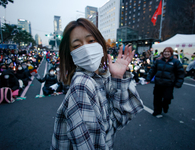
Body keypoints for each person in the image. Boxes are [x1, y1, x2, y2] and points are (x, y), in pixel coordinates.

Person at [51, 18, 143, 150]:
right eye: (77, 45)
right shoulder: (82, 85)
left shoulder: (100, 78)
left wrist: (117, 77)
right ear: (70, 53)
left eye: (91, 41)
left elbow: (118, 119)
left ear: (100, 43)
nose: (86, 49)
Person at [146, 47, 185, 118]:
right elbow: (152, 71)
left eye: (168, 52)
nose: (166, 53)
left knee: (167, 98)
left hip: (169, 84)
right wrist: (148, 79)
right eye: (165, 52)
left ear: (171, 53)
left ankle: (165, 105)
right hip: (158, 83)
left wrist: (178, 83)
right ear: (163, 53)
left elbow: (180, 73)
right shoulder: (158, 61)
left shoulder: (176, 62)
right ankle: (157, 111)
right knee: (157, 98)